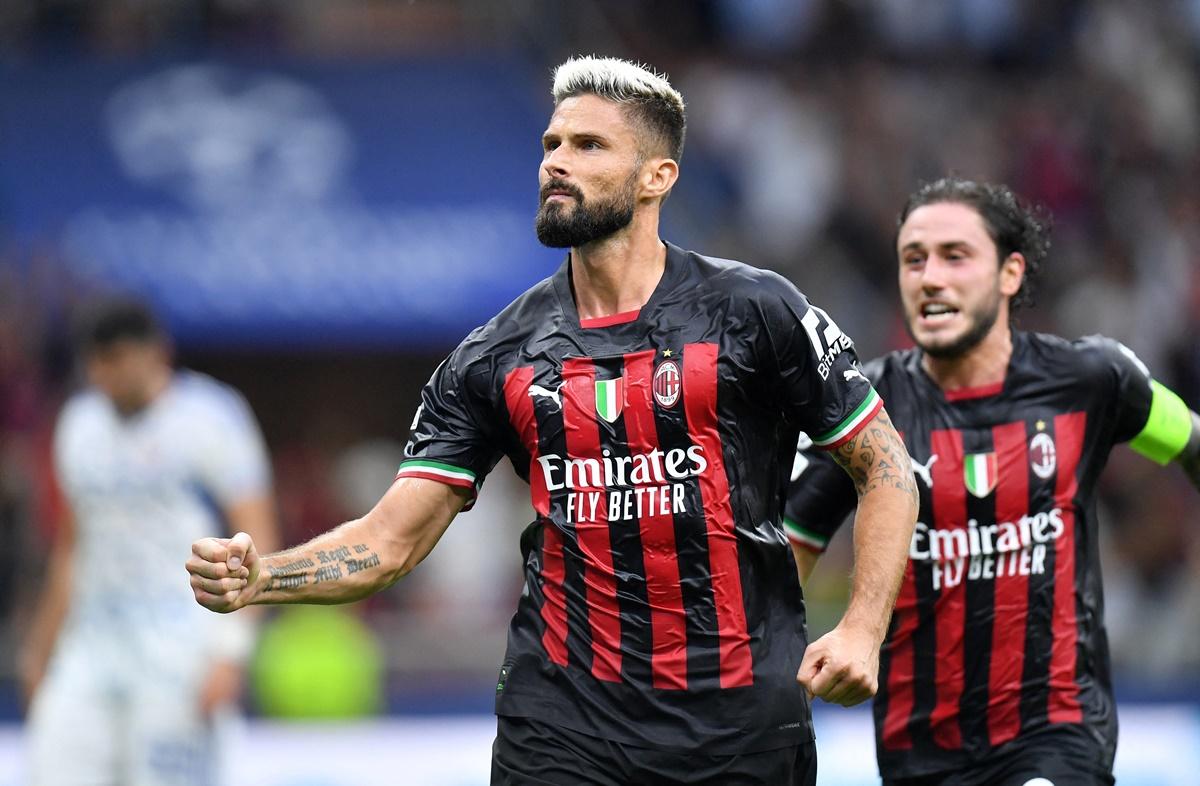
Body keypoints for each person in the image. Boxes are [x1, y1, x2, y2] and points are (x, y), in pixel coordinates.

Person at [186, 55, 918, 786]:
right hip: (562, 730)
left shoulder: (756, 312)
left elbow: (885, 468)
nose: (557, 163)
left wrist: (862, 626)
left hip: (739, 728)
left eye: (588, 146)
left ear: (656, 176)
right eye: (551, 145)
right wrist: (263, 579)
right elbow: (391, 541)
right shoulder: (493, 355)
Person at [785, 177, 1200, 786]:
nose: (930, 277)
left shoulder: (1094, 378)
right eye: (913, 258)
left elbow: (1191, 442)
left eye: (956, 256)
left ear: (1010, 273)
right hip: (917, 753)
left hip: (1059, 732)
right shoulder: (859, 414)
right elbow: (779, 559)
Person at [21, 298, 278, 786]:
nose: (105, 374)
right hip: (91, 649)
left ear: (156, 352)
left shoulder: (211, 417)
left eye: (116, 359)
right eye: (96, 362)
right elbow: (71, 547)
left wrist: (231, 652)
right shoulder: (79, 426)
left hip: (179, 652)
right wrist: (41, 649)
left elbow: (258, 538)